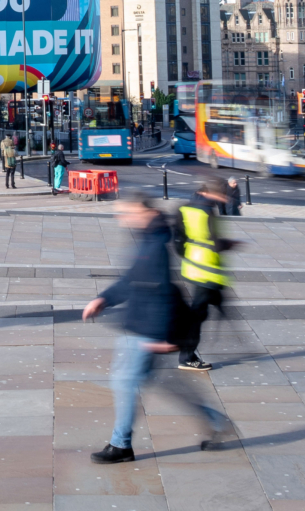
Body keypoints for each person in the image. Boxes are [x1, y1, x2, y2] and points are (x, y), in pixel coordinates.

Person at [83, 194, 232, 463]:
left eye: (126, 212)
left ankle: (121, 445)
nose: (121, 218)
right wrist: (103, 299)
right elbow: (132, 280)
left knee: (124, 381)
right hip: (140, 324)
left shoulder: (154, 246)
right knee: (163, 382)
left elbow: (161, 291)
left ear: (145, 212)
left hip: (145, 330)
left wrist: (161, 337)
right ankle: (217, 422)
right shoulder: (147, 238)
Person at [173, 180, 240, 372]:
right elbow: (216, 243)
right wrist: (231, 244)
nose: (224, 199)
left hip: (193, 266)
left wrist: (189, 253)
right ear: (214, 194)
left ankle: (187, 350)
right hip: (207, 269)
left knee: (205, 308)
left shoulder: (185, 208)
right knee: (198, 314)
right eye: (223, 195)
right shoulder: (208, 211)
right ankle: (187, 357)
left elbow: (178, 240)